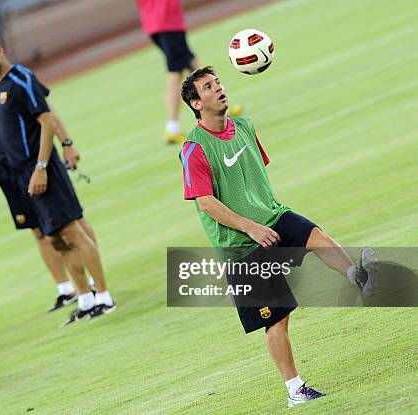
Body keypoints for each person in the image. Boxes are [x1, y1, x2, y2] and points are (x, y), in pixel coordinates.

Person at [179, 67, 378, 407]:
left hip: (272, 215)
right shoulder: (194, 149)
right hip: (241, 246)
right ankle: (295, 391)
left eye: (219, 83)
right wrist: (250, 226)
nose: (219, 89)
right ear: (196, 103)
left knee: (316, 236)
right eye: (209, 88)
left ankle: (356, 276)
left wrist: (265, 216)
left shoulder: (245, 126)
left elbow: (254, 173)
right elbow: (206, 202)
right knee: (278, 318)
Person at [0, 31, 116, 325]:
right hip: (23, 173)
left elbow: (46, 119)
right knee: (58, 240)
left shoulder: (21, 78)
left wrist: (41, 166)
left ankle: (104, 296)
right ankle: (85, 298)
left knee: (73, 232)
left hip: (42, 170)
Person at [136, 0, 242, 144]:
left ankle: (222, 110)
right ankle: (172, 127)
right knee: (175, 71)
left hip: (160, 21)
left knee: (193, 65)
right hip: (166, 21)